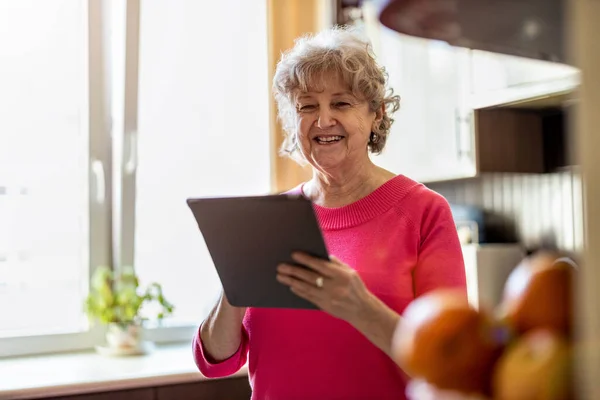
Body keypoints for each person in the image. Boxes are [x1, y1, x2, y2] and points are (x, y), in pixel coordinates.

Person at [192, 26, 467, 400]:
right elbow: (215, 360)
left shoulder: (424, 212)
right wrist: (236, 280)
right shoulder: (270, 220)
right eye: (307, 106)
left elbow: (452, 366)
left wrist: (360, 307)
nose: (323, 121)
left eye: (341, 103)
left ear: (376, 115)